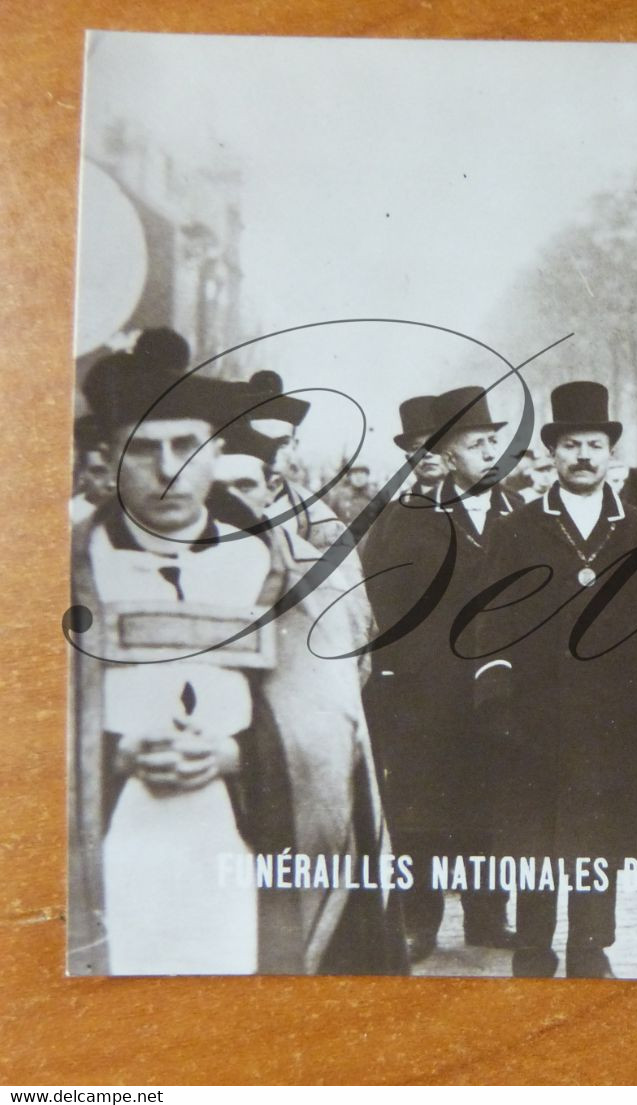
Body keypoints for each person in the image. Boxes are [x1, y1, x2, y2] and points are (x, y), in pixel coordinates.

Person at [68, 328, 400, 976]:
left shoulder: (266, 566)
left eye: (188, 445)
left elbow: (318, 722)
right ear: (110, 458)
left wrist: (236, 755)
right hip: (105, 851)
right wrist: (115, 752)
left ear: (214, 451)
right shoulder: (64, 568)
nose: (170, 470)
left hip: (236, 846)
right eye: (146, 449)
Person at [474, 381, 637, 979]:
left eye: (594, 444)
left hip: (612, 717)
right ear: (553, 454)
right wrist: (496, 696)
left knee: (600, 836)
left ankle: (590, 948)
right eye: (571, 445)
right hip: (534, 715)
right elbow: (492, 618)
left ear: (610, 451)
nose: (584, 456)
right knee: (535, 835)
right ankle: (534, 947)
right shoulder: (518, 528)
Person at [359, 386, 521, 964]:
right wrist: (394, 680)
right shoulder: (405, 520)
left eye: (494, 442)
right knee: (420, 808)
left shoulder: (518, 512)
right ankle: (418, 919)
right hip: (424, 691)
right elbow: (381, 603)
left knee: (491, 800)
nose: (491, 453)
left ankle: (487, 915)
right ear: (449, 455)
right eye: (478, 444)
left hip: (497, 689)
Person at [245, 370, 350, 552]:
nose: (271, 453)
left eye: (283, 443)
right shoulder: (202, 498)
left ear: (295, 447)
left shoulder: (315, 515)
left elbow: (342, 571)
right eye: (258, 441)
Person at [392, 394, 449, 502]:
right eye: (416, 448)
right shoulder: (397, 509)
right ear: (408, 459)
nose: (426, 454)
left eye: (435, 445)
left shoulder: (478, 501)